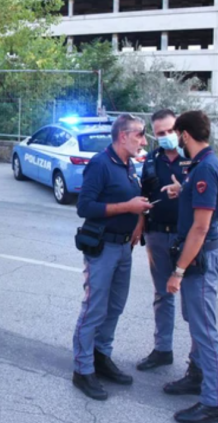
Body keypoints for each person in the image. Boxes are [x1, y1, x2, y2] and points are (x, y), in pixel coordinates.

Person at [135, 110, 218, 373]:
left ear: (180, 131)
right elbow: (145, 194)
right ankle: (162, 349)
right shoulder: (152, 160)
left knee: (194, 308)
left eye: (170, 131)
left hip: (187, 240)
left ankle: (197, 366)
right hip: (157, 234)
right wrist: (140, 225)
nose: (166, 137)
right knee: (162, 295)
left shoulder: (196, 160)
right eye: (160, 133)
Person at [72, 114, 153, 401]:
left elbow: (133, 201)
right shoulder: (100, 164)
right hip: (103, 248)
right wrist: (126, 207)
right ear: (123, 136)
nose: (144, 141)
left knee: (115, 306)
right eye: (140, 135)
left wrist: (139, 217)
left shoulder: (128, 164)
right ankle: (82, 369)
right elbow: (85, 207)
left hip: (123, 247)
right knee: (94, 308)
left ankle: (101, 356)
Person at [163, 110, 218, 423]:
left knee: (205, 331)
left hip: (200, 258)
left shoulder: (205, 169)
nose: (173, 138)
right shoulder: (203, 165)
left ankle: (212, 404)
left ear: (185, 135)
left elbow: (201, 228)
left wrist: (178, 271)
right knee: (196, 322)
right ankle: (197, 376)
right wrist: (182, 190)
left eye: (176, 133)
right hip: (201, 256)